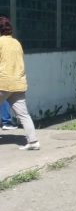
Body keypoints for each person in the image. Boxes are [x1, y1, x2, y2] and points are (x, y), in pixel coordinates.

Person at [0, 16, 39, 150]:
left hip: (3, 83)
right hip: (18, 84)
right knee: (24, 115)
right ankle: (33, 142)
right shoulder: (17, 43)